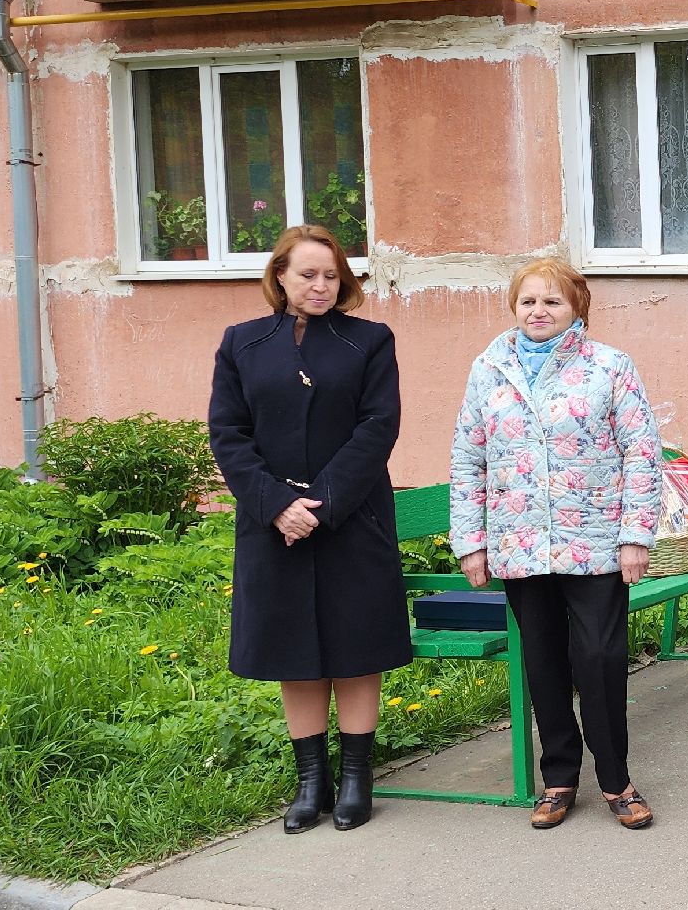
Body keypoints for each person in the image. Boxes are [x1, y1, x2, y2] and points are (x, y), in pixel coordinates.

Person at [450, 258, 664, 831]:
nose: (538, 312)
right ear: (513, 308)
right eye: (528, 302)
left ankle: (616, 780)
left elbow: (642, 454)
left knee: (598, 657)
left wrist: (635, 536)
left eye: (552, 302)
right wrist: (472, 542)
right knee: (543, 662)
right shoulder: (489, 368)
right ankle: (559, 777)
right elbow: (468, 459)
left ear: (577, 309)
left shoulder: (609, 367)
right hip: (519, 543)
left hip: (593, 542)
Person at [208, 225, 408, 835]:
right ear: (280, 278)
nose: (320, 286)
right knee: (295, 653)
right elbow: (228, 433)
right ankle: (310, 781)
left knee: (354, 648)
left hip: (350, 518)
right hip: (272, 526)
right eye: (307, 275)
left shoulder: (368, 341)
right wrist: (275, 505)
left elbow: (378, 426)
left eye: (330, 275)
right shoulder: (241, 344)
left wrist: (320, 504)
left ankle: (355, 778)